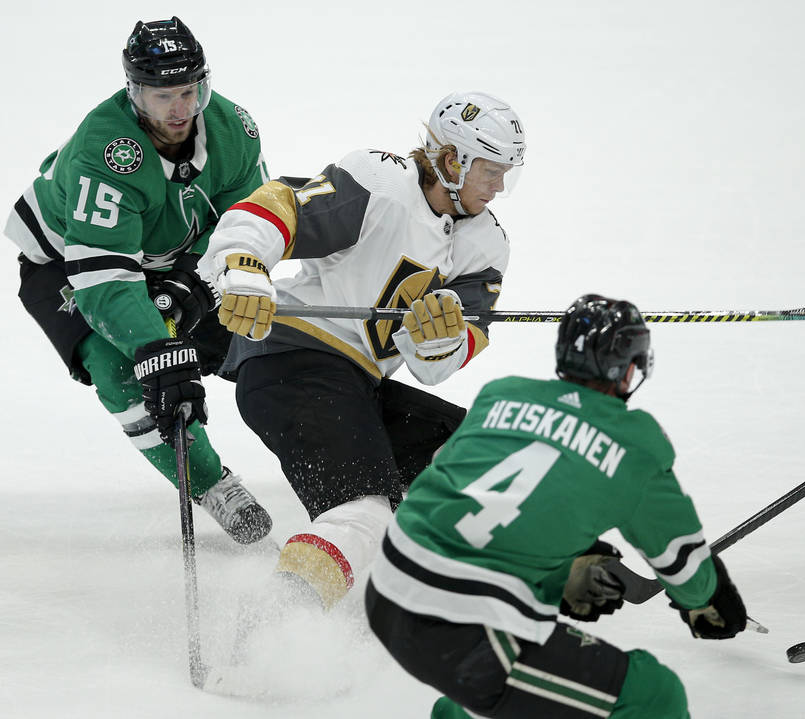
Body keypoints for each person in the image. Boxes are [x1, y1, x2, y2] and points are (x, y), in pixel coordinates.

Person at [138, 91, 525, 606]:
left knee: (488, 461)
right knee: (363, 512)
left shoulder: (485, 244)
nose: (499, 187)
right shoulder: (382, 184)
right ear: (452, 160)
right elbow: (278, 207)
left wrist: (439, 339)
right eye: (490, 171)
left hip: (359, 384)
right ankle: (267, 643)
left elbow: (438, 364)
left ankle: (524, 577)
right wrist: (244, 264)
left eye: (506, 173)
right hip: (290, 365)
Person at [364, 294, 749, 718]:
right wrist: (711, 602)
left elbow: (453, 491)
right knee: (655, 694)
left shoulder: (501, 395)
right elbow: (683, 564)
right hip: (460, 629)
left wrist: (564, 564)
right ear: (628, 368)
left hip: (386, 589)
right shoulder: (635, 443)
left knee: (527, 685)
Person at [3, 17, 272, 544]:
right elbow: (104, 281)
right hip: (66, 261)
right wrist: (158, 350)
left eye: (189, 91)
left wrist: (195, 283)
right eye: (162, 95)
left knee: (246, 325)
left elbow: (248, 225)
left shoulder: (233, 129)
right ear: (135, 93)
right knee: (122, 368)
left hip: (163, 254)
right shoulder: (104, 152)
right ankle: (211, 483)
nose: (179, 110)